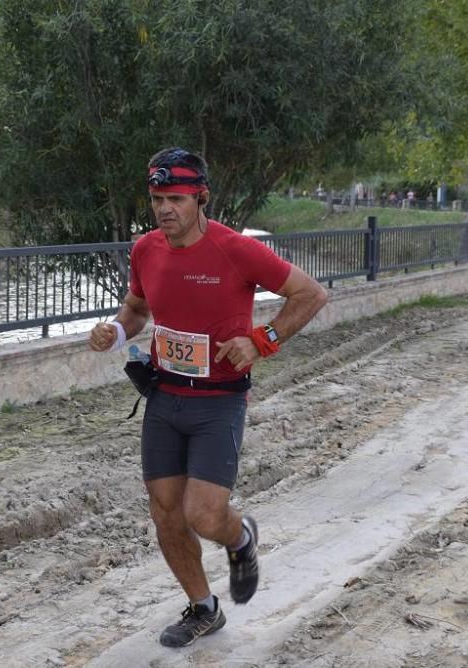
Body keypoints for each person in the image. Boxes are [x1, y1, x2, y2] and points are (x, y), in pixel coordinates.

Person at [88, 147, 327, 648]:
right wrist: (113, 331)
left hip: (218, 401)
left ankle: (240, 539)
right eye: (157, 198)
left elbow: (310, 294)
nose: (164, 208)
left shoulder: (235, 249)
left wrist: (263, 341)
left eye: (175, 197)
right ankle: (203, 608)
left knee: (204, 514)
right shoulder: (146, 250)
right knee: (166, 514)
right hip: (163, 398)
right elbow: (135, 310)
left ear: (201, 198)